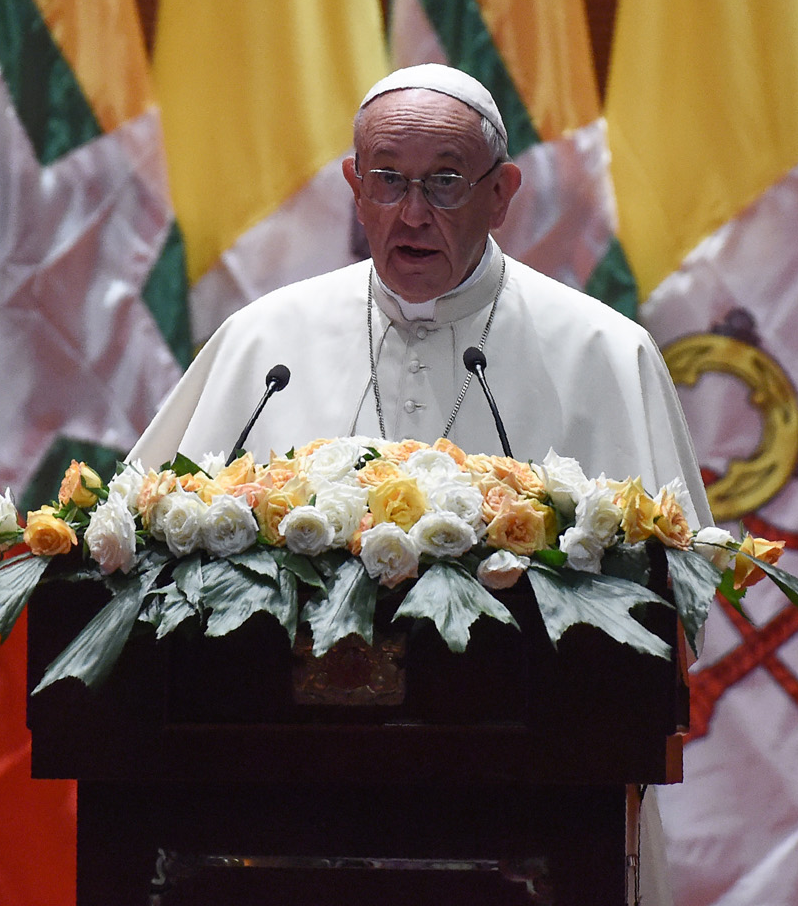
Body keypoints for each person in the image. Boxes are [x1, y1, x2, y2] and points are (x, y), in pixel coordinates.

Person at [129, 63, 707, 906]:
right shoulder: (264, 346)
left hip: (539, 826)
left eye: (444, 182)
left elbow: (682, 607)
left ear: (501, 192)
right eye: (389, 181)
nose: (412, 213)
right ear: (354, 187)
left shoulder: (603, 355)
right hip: (276, 826)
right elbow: (142, 571)